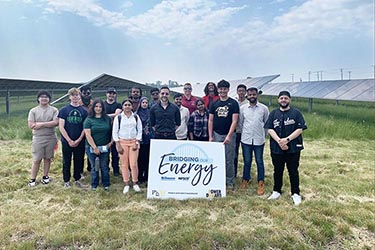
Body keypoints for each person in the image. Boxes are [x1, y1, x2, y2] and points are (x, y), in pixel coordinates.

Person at [265, 91, 307, 205]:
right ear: (278, 100)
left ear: (290, 100)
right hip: (276, 147)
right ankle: (276, 191)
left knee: (293, 171)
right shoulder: (273, 113)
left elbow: (300, 129)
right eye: (281, 98)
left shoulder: (296, 113)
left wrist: (287, 140)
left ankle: (295, 193)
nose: (283, 100)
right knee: (277, 170)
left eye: (286, 98)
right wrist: (279, 141)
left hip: (293, 147)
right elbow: (269, 128)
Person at [208, 80, 239, 189]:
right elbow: (210, 120)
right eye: (221, 89)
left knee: (229, 159)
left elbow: (235, 121)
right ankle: (217, 178)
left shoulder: (233, 103)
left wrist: (229, 136)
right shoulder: (214, 104)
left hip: (229, 135)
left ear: (228, 89)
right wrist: (211, 136)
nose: (222, 91)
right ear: (218, 89)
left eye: (225, 89)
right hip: (216, 134)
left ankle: (229, 181)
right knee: (217, 158)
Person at [238, 87, 269, 195]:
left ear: (257, 95)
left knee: (259, 161)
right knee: (247, 161)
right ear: (247, 95)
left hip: (259, 140)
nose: (252, 96)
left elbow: (266, 124)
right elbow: (241, 123)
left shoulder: (264, 109)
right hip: (246, 139)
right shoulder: (242, 108)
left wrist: (263, 136)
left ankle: (260, 182)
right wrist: (245, 133)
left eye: (254, 95)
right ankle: (245, 179)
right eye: (250, 95)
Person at [27, 90, 59, 187]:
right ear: (38, 99)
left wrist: (40, 124)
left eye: (46, 97)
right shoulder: (33, 111)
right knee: (37, 159)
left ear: (49, 99)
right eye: (42, 97)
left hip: (51, 137)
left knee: (48, 158)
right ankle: (33, 179)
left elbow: (55, 122)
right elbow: (31, 125)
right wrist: (47, 124)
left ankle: (45, 177)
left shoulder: (54, 110)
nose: (44, 98)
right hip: (38, 138)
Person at [58, 88, 88, 188]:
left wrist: (79, 139)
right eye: (73, 95)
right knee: (66, 161)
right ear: (69, 97)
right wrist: (69, 140)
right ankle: (66, 180)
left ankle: (77, 179)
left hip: (80, 141)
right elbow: (61, 126)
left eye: (77, 95)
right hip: (67, 141)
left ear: (80, 96)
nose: (75, 97)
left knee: (78, 160)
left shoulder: (84, 111)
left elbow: (85, 127)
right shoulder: (63, 110)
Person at [112, 99, 143, 194]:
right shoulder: (119, 118)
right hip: (122, 142)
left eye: (129, 105)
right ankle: (126, 183)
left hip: (133, 142)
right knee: (124, 164)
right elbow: (115, 131)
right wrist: (118, 144)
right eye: (125, 105)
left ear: (132, 106)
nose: (127, 106)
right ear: (122, 107)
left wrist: (137, 141)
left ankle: (135, 182)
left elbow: (139, 130)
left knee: (133, 164)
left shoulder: (136, 117)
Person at [84, 99, 113, 191]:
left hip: (105, 147)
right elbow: (88, 135)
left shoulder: (107, 119)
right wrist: (95, 148)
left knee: (104, 166)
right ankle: (94, 184)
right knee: (94, 166)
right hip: (91, 147)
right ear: (93, 108)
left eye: (100, 107)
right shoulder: (88, 120)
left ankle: (106, 184)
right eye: (96, 106)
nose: (98, 108)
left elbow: (113, 131)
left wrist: (110, 143)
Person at [103, 87, 122, 176]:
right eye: (109, 93)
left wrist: (105, 115)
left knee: (115, 152)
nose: (111, 95)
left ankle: (116, 170)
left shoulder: (118, 105)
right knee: (105, 151)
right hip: (104, 131)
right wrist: (112, 115)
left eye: (113, 93)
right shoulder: (102, 104)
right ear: (106, 94)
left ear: (115, 95)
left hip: (115, 131)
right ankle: (105, 168)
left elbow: (117, 114)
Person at [136, 97, 153, 184]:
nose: (145, 104)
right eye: (143, 103)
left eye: (146, 102)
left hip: (149, 139)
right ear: (140, 104)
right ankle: (139, 177)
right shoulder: (136, 114)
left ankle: (147, 176)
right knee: (139, 159)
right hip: (139, 140)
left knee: (147, 158)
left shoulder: (151, 113)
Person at [234, 84, 248, 178]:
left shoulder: (248, 103)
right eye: (239, 91)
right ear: (237, 92)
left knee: (246, 154)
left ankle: (246, 175)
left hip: (245, 132)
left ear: (245, 92)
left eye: (243, 91)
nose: (241, 92)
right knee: (234, 153)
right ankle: (234, 173)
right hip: (235, 131)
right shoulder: (234, 102)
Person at [79, 85, 93, 174]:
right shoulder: (78, 104)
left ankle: (90, 168)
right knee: (80, 151)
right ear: (81, 94)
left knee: (91, 150)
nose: (86, 95)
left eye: (88, 93)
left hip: (91, 131)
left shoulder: (94, 103)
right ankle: (80, 170)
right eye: (84, 93)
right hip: (80, 130)